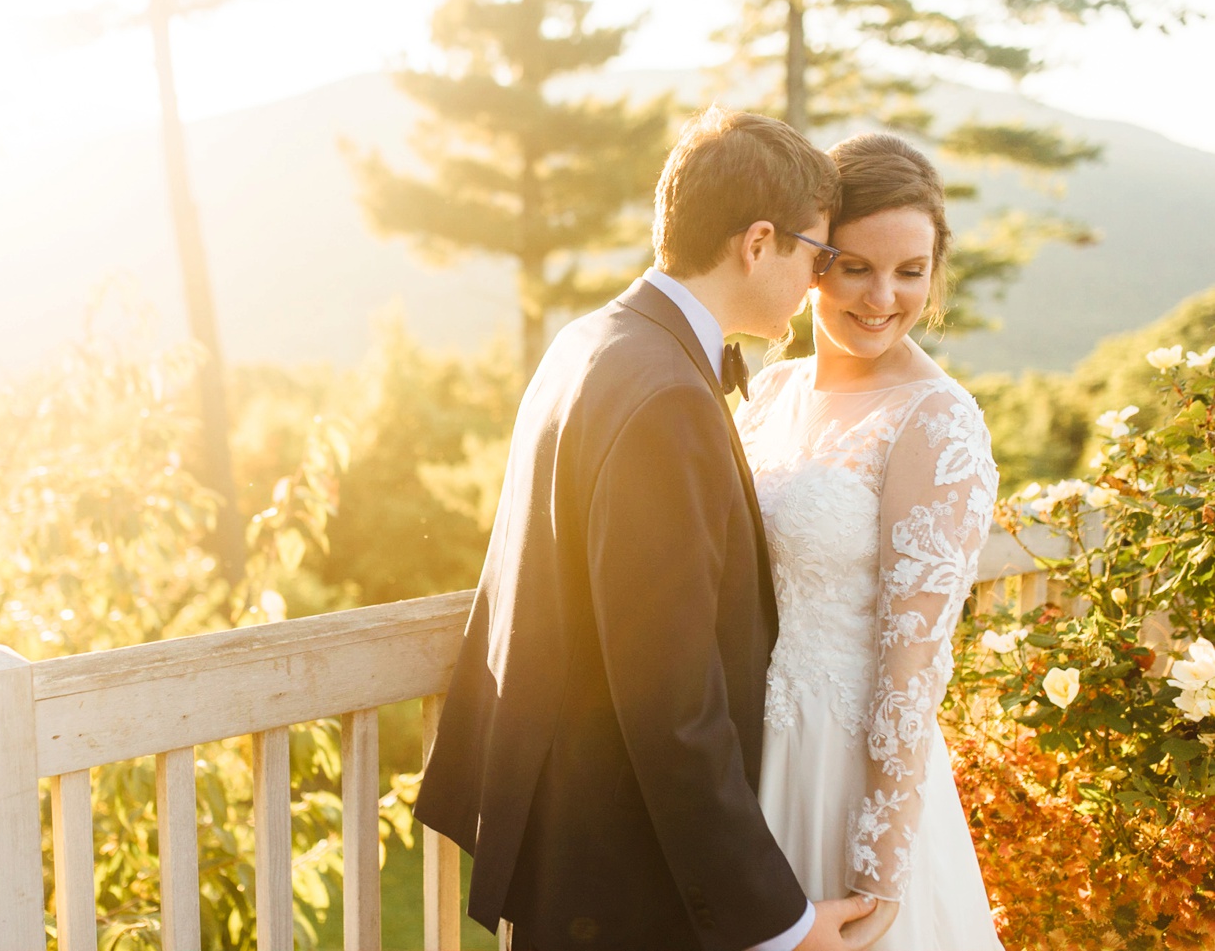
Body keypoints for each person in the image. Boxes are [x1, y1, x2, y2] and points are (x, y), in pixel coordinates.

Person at [414, 104, 879, 951]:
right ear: (758, 241)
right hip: (624, 873)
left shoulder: (590, 339)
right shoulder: (666, 394)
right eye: (816, 254)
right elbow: (671, 702)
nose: (818, 283)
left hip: (573, 840)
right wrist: (781, 921)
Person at [734, 132, 1005, 950]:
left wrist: (882, 856)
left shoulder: (936, 420)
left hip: (846, 777)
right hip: (746, 758)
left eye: (911, 271)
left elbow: (911, 665)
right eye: (856, 266)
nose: (883, 296)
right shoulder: (770, 392)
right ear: (811, 259)